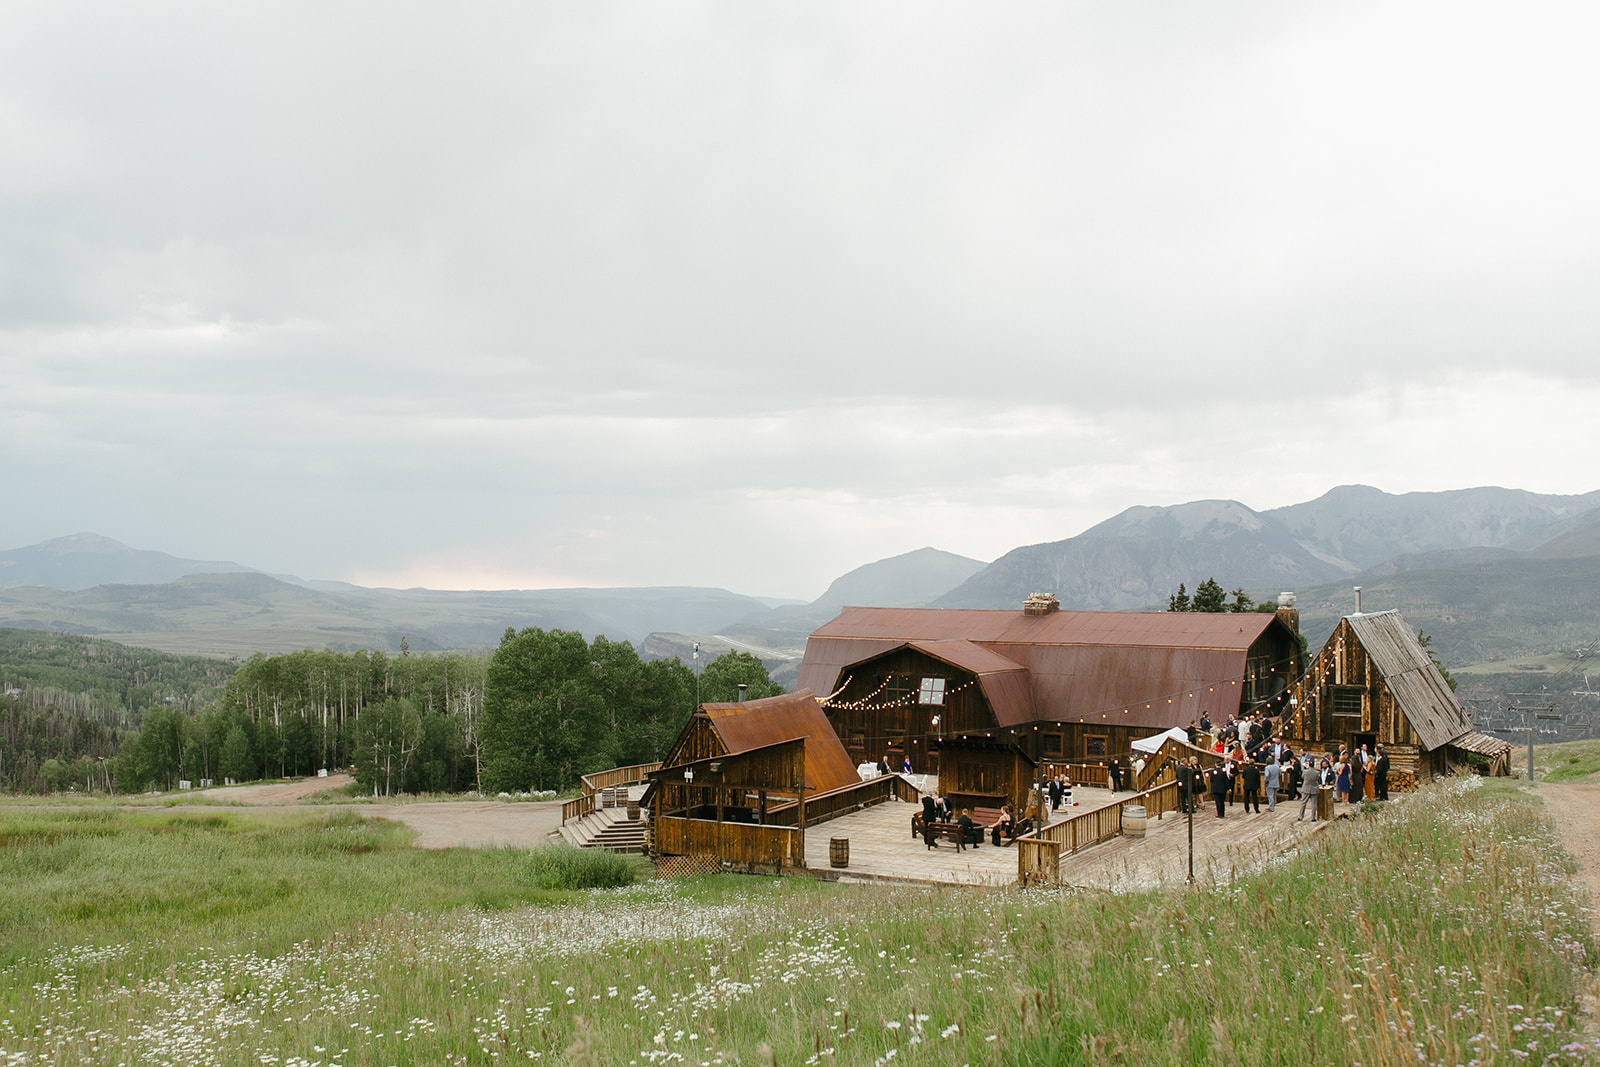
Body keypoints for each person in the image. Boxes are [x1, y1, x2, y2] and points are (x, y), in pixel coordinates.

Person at [1297, 754, 1321, 821]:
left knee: (1303, 803)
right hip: (1314, 788)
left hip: (1306, 788)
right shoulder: (1316, 772)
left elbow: (1302, 777)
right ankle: (1313, 817)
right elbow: (1318, 779)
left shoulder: (1305, 772)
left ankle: (1300, 816)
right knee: (1314, 804)